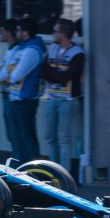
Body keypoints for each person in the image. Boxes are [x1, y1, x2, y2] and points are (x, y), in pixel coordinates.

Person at [41, 18, 85, 172]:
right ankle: (53, 171)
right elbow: (43, 71)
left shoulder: (77, 54)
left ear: (63, 34)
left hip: (67, 100)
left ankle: (64, 174)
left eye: (55, 31)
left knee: (63, 138)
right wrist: (58, 74)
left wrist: (54, 74)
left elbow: (67, 77)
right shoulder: (52, 48)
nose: (53, 34)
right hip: (51, 98)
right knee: (50, 137)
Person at [6, 17, 45, 164]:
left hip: (25, 100)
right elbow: (7, 71)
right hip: (16, 99)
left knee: (28, 137)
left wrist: (9, 75)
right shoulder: (22, 48)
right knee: (19, 137)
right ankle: (21, 167)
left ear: (26, 32)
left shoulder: (32, 50)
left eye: (18, 30)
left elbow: (16, 75)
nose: (16, 32)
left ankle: (34, 169)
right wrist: (9, 74)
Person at [0, 18, 22, 161]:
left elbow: (5, 75)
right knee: (11, 135)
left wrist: (1, 74)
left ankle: (18, 163)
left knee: (15, 134)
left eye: (2, 30)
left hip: (11, 95)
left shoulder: (17, 51)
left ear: (9, 32)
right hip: (6, 94)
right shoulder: (10, 50)